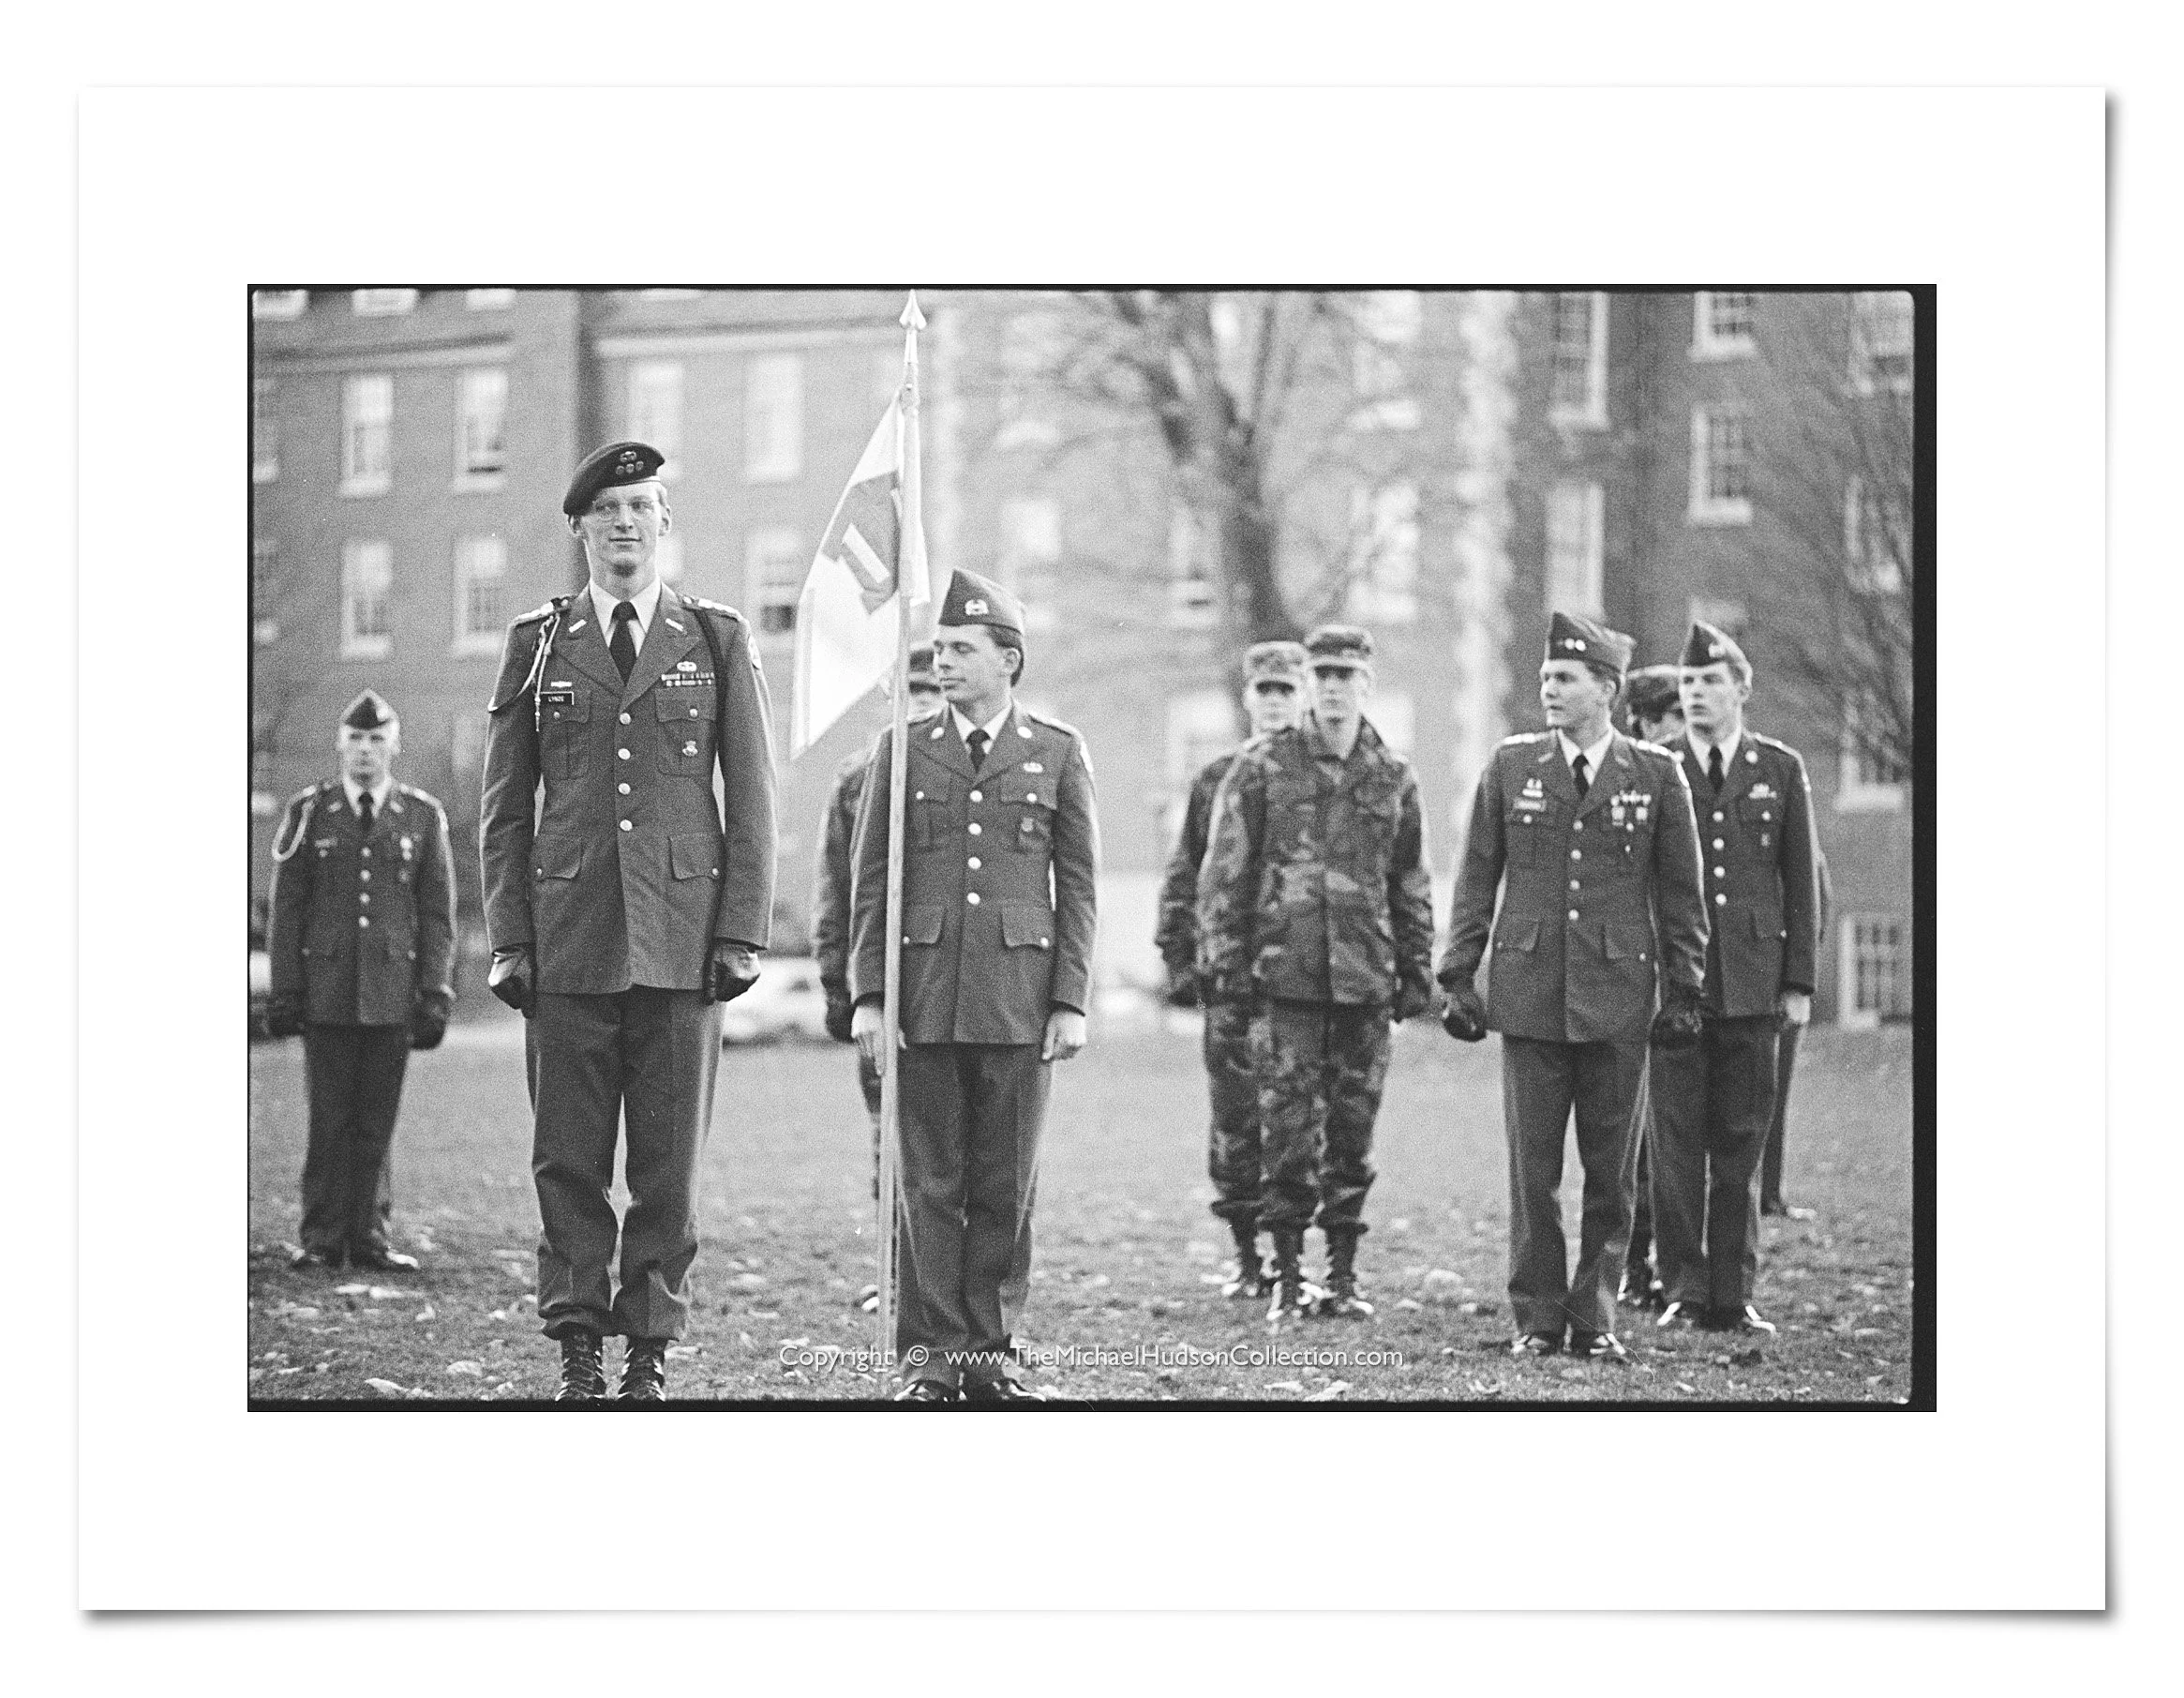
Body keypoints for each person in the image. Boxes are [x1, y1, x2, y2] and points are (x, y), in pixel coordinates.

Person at [479, 441, 778, 1404]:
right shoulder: (537, 641)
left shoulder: (715, 637)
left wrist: (740, 931)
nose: (623, 523)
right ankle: (577, 1345)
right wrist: (511, 938)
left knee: (666, 1171)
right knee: (566, 1162)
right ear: (579, 527)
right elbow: (502, 805)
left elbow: (755, 794)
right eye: (606, 508)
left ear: (664, 524)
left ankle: (648, 1350)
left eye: (641, 506)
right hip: (567, 941)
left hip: (683, 944)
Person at [849, 568, 1099, 1404]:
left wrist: (1070, 999)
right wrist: (870, 997)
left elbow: (1080, 887)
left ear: (1009, 659)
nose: (944, 661)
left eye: (962, 649)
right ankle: (930, 1362)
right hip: (922, 999)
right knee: (930, 1187)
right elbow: (874, 881)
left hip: (1021, 1004)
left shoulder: (1058, 752)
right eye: (942, 649)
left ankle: (991, 1358)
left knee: (1004, 1189)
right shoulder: (903, 744)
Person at [1438, 613, 1708, 1362]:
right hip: (1528, 994)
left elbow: (1682, 895)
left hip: (1621, 998)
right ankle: (1537, 1317)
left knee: (1612, 1175)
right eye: (1546, 679)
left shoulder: (1656, 774)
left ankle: (1594, 1317)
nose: (1549, 690)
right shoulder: (1511, 766)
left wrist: (1685, 989)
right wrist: (1459, 974)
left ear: (1608, 690)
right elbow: (1477, 876)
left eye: (1565, 679)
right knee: (1533, 1172)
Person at [1196, 625, 1437, 1321]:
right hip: (1286, 980)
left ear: (1365, 682)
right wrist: (1228, 967)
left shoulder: (1392, 774)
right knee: (1286, 1132)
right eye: (1322, 674)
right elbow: (1226, 877)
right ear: (1310, 682)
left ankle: (1343, 1274)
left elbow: (1410, 880)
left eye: (1345, 674)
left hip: (1364, 980)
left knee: (1353, 1134)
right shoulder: (1263, 767)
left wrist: (1416, 968)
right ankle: (1288, 1275)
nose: (1332, 686)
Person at [1649, 622, 1819, 1336]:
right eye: (1687, 684)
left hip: (1752, 987)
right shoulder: (1655, 765)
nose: (1695, 696)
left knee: (1741, 1146)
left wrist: (1798, 983)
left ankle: (1733, 1291)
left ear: (1741, 690)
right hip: (1675, 989)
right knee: (1677, 1146)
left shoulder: (1778, 769)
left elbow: (1798, 881)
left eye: (1709, 682)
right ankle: (1686, 1291)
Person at [265, 689, 456, 1272]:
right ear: (340, 746)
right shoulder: (309, 813)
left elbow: (436, 915)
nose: (365, 752)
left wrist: (435, 991)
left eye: (376, 740)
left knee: (376, 1119)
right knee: (329, 1117)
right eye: (355, 740)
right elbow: (287, 912)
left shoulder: (421, 816)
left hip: (391, 997)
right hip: (325, 996)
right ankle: (322, 1237)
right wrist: (286, 990)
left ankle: (370, 1234)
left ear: (393, 746)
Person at [1152, 639, 1309, 1300]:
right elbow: (1185, 871)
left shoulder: (1317, 777)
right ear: (1247, 698)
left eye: (1285, 691)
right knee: (1236, 1120)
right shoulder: (1217, 777)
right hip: (1231, 983)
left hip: (1299, 981)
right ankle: (1247, 1254)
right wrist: (1179, 955)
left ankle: (1295, 1256)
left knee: (1303, 1120)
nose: (1274, 703)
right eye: (1263, 691)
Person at [812, 642, 944, 1208]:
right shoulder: (859, 779)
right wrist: (842, 991)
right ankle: (897, 1272)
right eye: (911, 690)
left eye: (932, 690)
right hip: (882, 985)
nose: (921, 703)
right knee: (889, 1135)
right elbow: (835, 898)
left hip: (947, 979)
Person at [1614, 664, 1684, 1313]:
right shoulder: (1620, 783)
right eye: (1654, 718)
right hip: (1632, 982)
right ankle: (1637, 1263)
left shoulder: (1691, 784)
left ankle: (1682, 1263)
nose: (1666, 730)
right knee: (1636, 1138)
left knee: (1686, 1135)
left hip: (1692, 986)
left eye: (1675, 717)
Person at [1760, 848, 1831, 1220]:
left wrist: (1798, 982)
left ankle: (1768, 1193)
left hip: (1783, 994)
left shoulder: (1808, 856)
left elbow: (1817, 915)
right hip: (1753, 991)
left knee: (1774, 1097)